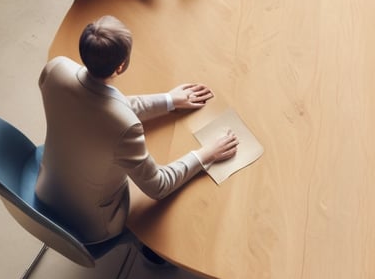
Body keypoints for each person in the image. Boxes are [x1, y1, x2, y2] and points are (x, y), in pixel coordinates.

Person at [35, 15, 238, 247]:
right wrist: (207, 153)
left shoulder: (55, 69)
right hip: (91, 225)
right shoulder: (125, 127)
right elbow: (158, 186)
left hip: (46, 192)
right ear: (121, 66)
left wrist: (169, 100)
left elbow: (96, 104)